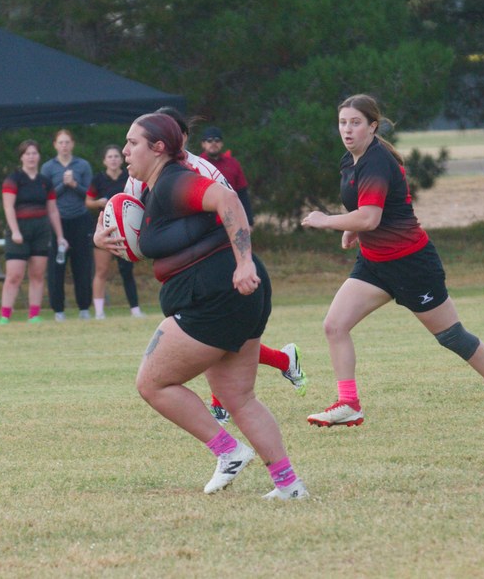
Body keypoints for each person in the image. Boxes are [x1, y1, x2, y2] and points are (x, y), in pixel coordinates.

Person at [94, 112, 307, 499]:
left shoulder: (174, 181)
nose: (124, 151)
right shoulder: (154, 186)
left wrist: (243, 262)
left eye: (133, 143)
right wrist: (103, 237)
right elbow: (131, 228)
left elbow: (227, 199)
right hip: (234, 293)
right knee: (238, 397)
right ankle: (289, 485)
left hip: (214, 295)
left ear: (158, 148)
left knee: (152, 383)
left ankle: (229, 452)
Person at [301, 94, 484, 428]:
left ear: (372, 126)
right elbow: (365, 211)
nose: (347, 130)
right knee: (335, 325)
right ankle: (349, 403)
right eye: (342, 123)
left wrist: (328, 220)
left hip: (411, 264)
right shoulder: (351, 160)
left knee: (451, 336)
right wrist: (353, 229)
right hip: (375, 264)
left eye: (355, 123)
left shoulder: (377, 160)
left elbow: (370, 218)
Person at [124, 106, 307, 423]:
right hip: (188, 277)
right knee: (213, 343)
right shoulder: (140, 176)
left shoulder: (199, 172)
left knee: (208, 339)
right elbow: (140, 229)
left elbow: (229, 208)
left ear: (176, 137)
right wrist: (109, 237)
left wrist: (242, 262)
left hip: (217, 274)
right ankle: (280, 363)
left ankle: (222, 403)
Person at [0, 139, 68, 324]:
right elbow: (8, 207)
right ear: (21, 157)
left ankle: (34, 315)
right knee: (14, 275)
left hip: (41, 231)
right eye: (27, 153)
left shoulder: (45, 182)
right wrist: (15, 231)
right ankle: (5, 315)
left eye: (34, 153)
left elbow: (52, 210)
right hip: (19, 231)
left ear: (39, 156)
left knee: (37, 275)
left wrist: (60, 236)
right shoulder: (13, 179)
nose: (31, 157)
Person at [85, 145, 146, 319]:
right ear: (104, 160)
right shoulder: (98, 179)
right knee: (101, 270)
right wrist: (99, 203)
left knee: (127, 270)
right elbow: (88, 202)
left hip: (125, 231)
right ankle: (98, 311)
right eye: (109, 156)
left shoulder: (129, 177)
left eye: (116, 156)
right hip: (105, 229)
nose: (113, 159)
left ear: (121, 159)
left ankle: (135, 309)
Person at [40, 129, 94, 321]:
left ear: (72, 144)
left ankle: (84, 308)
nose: (64, 146)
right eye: (60, 142)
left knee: (82, 265)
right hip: (57, 222)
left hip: (80, 219)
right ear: (55, 145)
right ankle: (58, 310)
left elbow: (89, 194)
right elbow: (46, 196)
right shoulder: (48, 168)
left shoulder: (83, 165)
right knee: (56, 267)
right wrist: (64, 185)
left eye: (67, 142)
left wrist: (74, 185)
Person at [199, 126, 255, 227]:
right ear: (203, 144)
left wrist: (249, 222)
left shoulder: (233, 164)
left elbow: (242, 194)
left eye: (217, 140)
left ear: (222, 143)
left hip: (231, 219)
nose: (213, 143)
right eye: (209, 140)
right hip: (203, 220)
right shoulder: (196, 164)